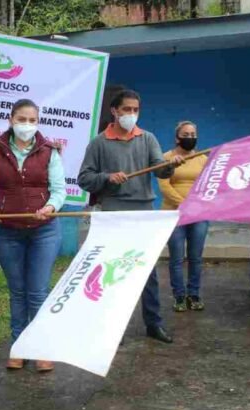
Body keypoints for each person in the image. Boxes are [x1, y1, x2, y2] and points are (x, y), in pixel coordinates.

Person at [78, 89, 185, 344]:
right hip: (113, 213)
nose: (131, 115)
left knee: (146, 270)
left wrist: (172, 165)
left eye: (135, 110)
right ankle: (111, 328)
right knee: (111, 271)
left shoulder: (147, 138)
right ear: (114, 111)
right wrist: (107, 178)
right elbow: (84, 179)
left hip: (144, 212)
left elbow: (161, 170)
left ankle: (153, 323)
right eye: (126, 109)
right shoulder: (98, 143)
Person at [0, 99, 65, 372]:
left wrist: (50, 207)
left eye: (32, 120)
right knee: (17, 292)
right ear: (11, 119)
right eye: (22, 119)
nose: (27, 124)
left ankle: (41, 348)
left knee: (37, 291)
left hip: (44, 232)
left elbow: (59, 190)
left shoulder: (49, 151)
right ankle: (19, 346)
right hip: (7, 232)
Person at [157, 121, 209, 312]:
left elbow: (207, 185)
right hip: (173, 213)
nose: (190, 138)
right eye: (185, 134)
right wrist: (183, 204)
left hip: (199, 214)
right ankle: (179, 296)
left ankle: (194, 294)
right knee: (176, 258)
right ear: (177, 138)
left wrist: (196, 205)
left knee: (196, 257)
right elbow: (164, 186)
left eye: (193, 134)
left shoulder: (202, 158)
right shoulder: (166, 158)